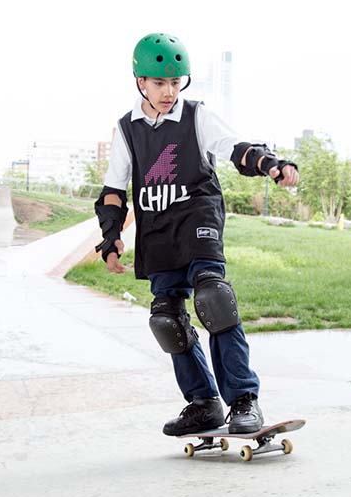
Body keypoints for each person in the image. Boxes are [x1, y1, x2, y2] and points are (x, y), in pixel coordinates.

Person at [94, 33, 299, 436]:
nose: (169, 91)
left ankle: (243, 400)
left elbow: (236, 147)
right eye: (159, 83)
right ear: (140, 82)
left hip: (198, 219)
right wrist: (111, 239)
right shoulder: (126, 129)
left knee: (214, 300)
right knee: (167, 319)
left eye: (175, 82)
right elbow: (114, 192)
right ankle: (203, 403)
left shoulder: (195, 116)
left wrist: (270, 164)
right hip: (157, 232)